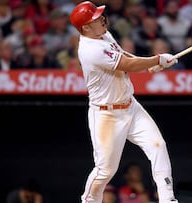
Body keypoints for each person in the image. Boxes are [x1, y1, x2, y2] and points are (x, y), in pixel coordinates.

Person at [69, 1, 179, 203]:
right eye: (95, 18)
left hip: (130, 106)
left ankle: (167, 198)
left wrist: (151, 64)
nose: (102, 18)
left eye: (100, 15)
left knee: (158, 146)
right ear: (85, 27)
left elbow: (124, 55)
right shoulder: (90, 48)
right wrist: (156, 60)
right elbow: (126, 63)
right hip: (106, 114)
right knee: (105, 170)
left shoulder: (102, 34)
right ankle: (89, 201)